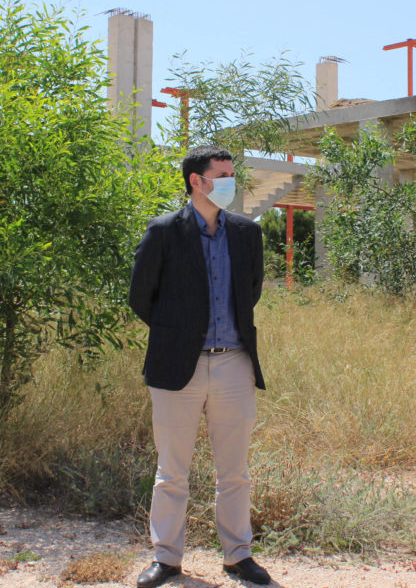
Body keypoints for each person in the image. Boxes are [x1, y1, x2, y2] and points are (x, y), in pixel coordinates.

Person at [129, 145, 270, 587]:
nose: (230, 181)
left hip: (233, 364)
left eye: (231, 173)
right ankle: (166, 559)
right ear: (197, 181)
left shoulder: (247, 233)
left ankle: (238, 557)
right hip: (177, 367)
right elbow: (141, 295)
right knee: (172, 471)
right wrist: (180, 333)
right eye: (222, 174)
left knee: (235, 471)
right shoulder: (164, 232)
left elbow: (252, 290)